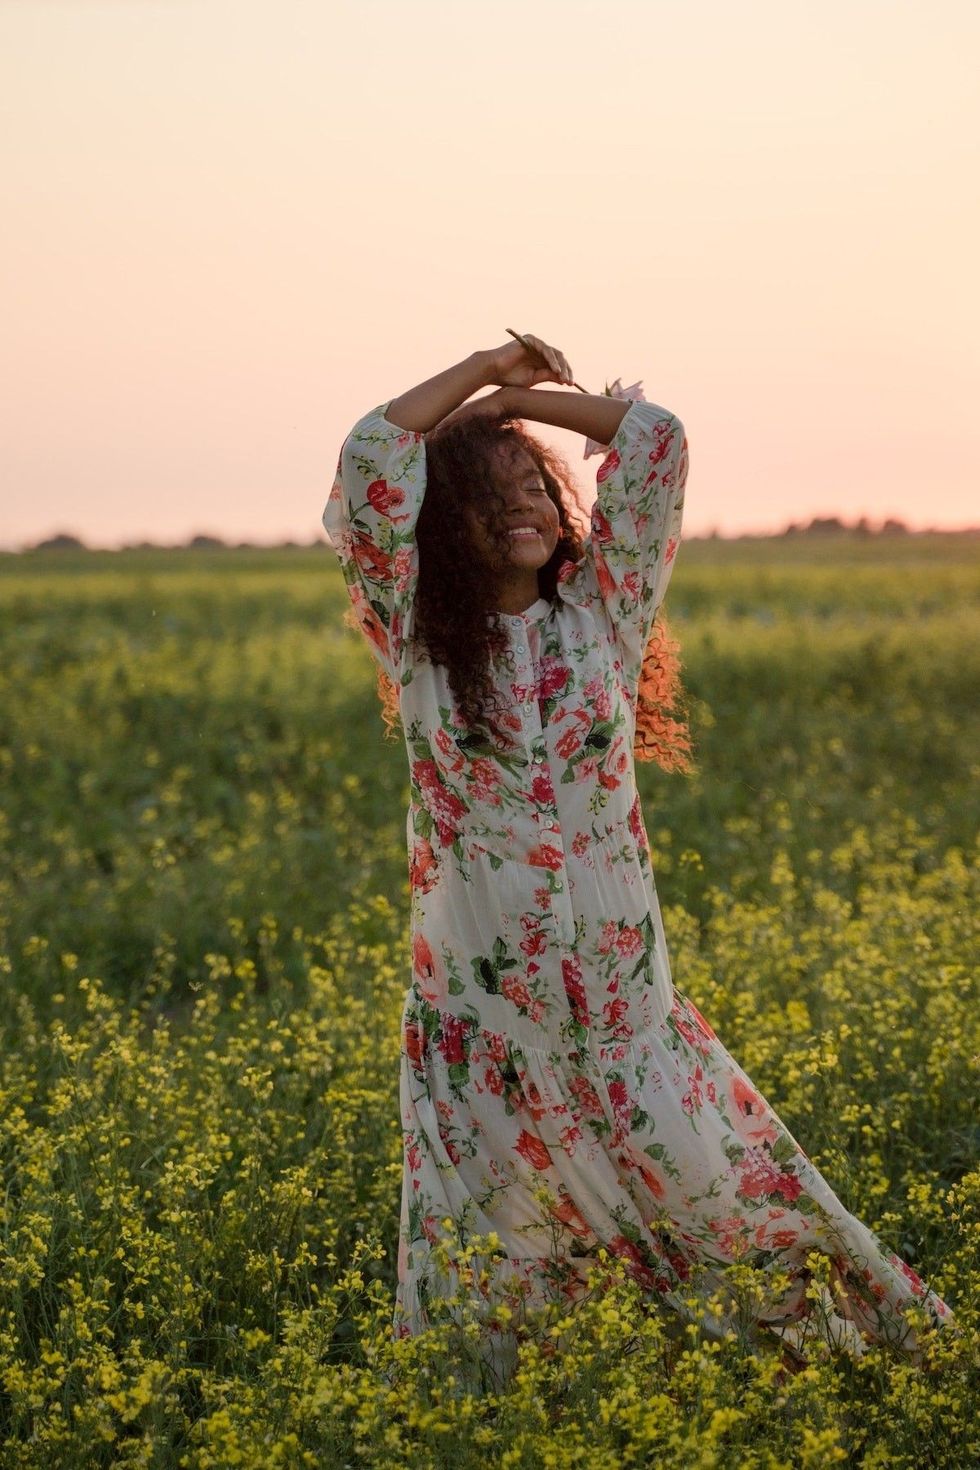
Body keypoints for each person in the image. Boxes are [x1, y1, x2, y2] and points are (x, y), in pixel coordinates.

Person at [323, 333, 957, 1387]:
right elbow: (375, 451)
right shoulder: (417, 639)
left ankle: (832, 1359)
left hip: (620, 993)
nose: (523, 505)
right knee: (497, 1231)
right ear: (443, 521)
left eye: (537, 487)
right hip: (485, 1008)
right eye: (489, 492)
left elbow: (654, 443)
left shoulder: (604, 619)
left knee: (709, 1190)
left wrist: (542, 405)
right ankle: (523, 1403)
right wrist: (484, 374)